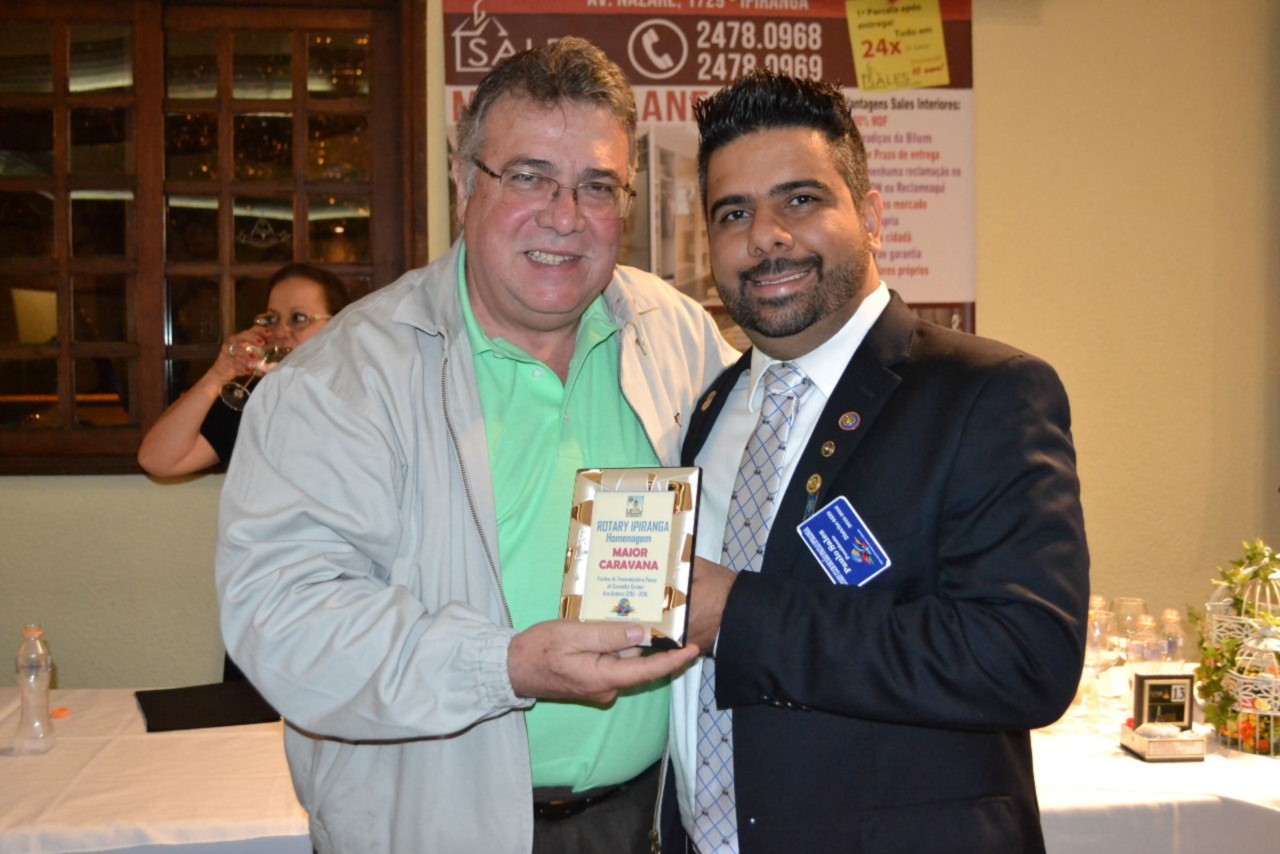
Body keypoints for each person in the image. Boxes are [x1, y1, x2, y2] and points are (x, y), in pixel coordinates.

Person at [215, 38, 737, 854]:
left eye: (597, 186)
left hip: (648, 820)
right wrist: (504, 666)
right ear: (464, 183)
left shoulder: (677, 333)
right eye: (529, 176)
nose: (565, 217)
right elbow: (285, 622)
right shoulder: (341, 380)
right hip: (432, 828)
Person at [664, 70, 1089, 854]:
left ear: (870, 217)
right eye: (734, 213)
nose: (766, 237)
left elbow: (1025, 660)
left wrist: (736, 614)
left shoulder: (985, 393)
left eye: (800, 200)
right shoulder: (712, 409)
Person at [137, 262, 351, 477]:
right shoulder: (255, 398)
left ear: (337, 325)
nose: (280, 332)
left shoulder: (359, 393)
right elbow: (157, 461)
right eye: (273, 319)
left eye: (298, 318)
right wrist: (218, 375)